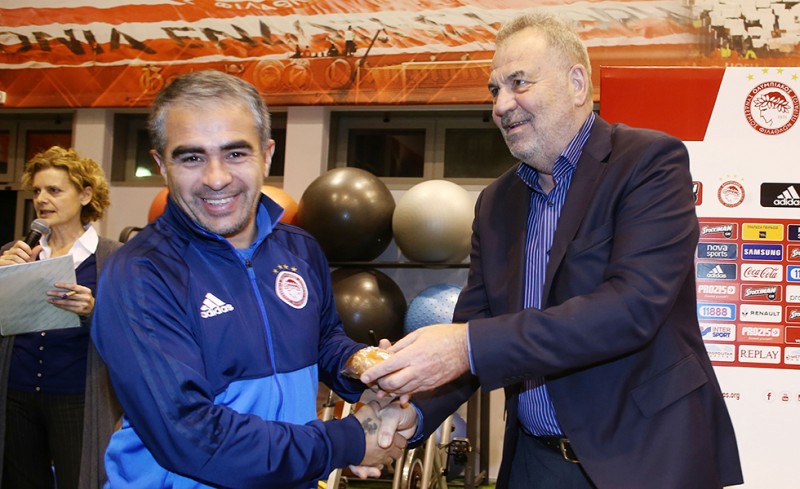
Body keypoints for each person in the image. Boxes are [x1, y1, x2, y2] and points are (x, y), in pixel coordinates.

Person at [363, 11, 744, 489]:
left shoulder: (648, 163)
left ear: (577, 83)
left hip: (645, 457)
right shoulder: (496, 203)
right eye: (494, 91)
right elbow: (474, 328)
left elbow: (632, 307)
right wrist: (414, 412)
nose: (501, 105)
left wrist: (465, 346)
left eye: (518, 83)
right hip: (535, 461)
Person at [90, 70, 408, 488]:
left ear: (267, 155)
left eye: (236, 153)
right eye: (191, 158)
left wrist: (364, 369)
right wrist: (348, 440)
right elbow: (192, 436)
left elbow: (322, 339)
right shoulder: (140, 274)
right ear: (162, 165)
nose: (216, 178)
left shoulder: (299, 249)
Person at [0, 146, 122, 489]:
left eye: (54, 190)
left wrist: (93, 310)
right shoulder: (15, 252)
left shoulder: (114, 258)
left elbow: (136, 330)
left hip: (77, 396)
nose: (42, 199)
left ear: (85, 195)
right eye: (37, 190)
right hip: (15, 395)